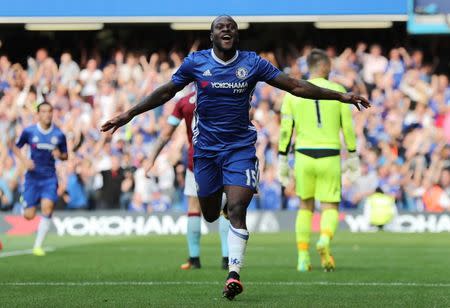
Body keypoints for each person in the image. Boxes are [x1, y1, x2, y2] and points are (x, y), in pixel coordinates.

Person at [101, 15, 370, 300]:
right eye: (221, 27)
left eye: (231, 27)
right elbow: (167, 90)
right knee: (209, 212)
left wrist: (340, 97)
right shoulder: (196, 62)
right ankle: (225, 203)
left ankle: (234, 274)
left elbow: (295, 86)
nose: (227, 30)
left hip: (239, 149)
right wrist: (129, 113)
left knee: (238, 210)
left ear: (237, 36)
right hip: (205, 151)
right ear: (212, 36)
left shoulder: (252, 63)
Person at [278, 49, 361, 272]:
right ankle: (324, 240)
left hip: (304, 155)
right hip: (330, 155)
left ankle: (303, 257)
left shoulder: (292, 93)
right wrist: (353, 156)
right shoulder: (339, 91)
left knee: (305, 206)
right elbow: (348, 129)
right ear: (325, 66)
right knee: (330, 206)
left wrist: (282, 160)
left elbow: (286, 129)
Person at [145, 88, 230, 270]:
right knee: (225, 207)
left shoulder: (184, 102)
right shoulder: (222, 95)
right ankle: (227, 258)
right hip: (222, 159)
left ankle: (194, 258)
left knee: (193, 207)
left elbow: (166, 133)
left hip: (196, 160)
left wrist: (151, 158)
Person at [12, 102, 68, 256]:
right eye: (43, 111)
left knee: (47, 207)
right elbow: (15, 147)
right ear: (38, 114)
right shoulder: (29, 132)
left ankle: (37, 246)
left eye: (50, 111)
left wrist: (59, 154)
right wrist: (24, 161)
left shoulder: (59, 135)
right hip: (32, 178)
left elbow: (66, 155)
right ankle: (27, 201)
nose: (47, 114)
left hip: (49, 177)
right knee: (29, 216)